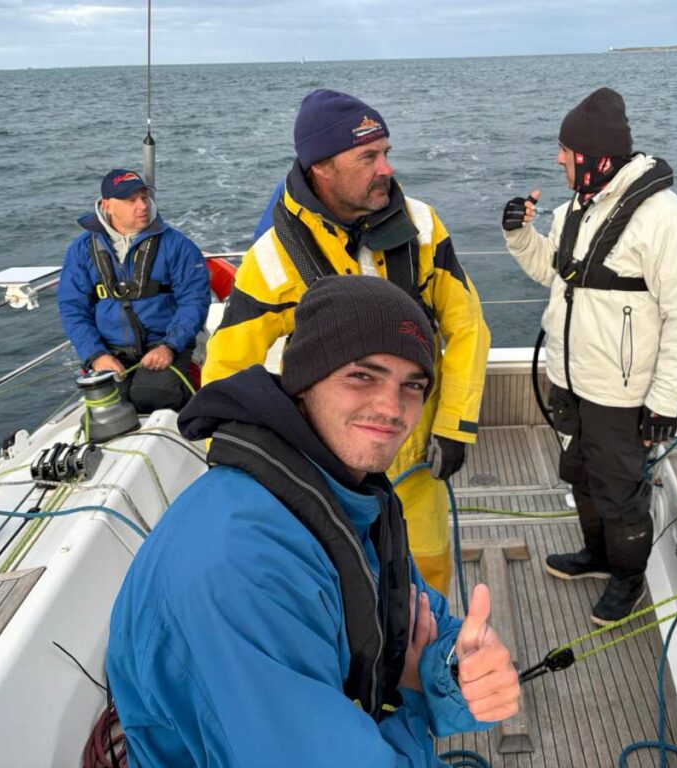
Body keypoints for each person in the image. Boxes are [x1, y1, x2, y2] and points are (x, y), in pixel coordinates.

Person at [108, 276, 520, 767]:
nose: (392, 408)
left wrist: (458, 673)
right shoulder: (239, 564)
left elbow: (417, 623)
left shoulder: (345, 494)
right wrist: (413, 694)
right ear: (304, 380)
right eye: (362, 376)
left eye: (412, 385)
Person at [202, 89, 491, 594]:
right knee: (346, 583)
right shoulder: (272, 258)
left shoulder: (423, 227)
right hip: (326, 465)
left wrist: (455, 427)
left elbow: (467, 326)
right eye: (368, 157)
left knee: (428, 577)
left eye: (387, 153)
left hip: (416, 449)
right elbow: (228, 371)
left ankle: (433, 663)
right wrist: (246, 469)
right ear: (321, 168)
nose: (387, 169)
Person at [501, 88, 677, 626]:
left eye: (565, 151)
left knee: (620, 493)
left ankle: (627, 578)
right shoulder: (580, 206)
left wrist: (665, 401)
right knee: (581, 474)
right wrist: (519, 235)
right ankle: (596, 557)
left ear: (593, 160)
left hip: (622, 391)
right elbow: (556, 270)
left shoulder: (666, 217)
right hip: (570, 377)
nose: (557, 159)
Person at [57, 169, 211, 413]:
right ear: (107, 205)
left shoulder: (178, 245)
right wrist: (96, 355)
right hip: (109, 350)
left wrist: (169, 346)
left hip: (165, 344)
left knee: (153, 396)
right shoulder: (81, 249)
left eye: (144, 198)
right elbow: (72, 308)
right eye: (131, 201)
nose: (142, 206)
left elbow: (194, 301)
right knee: (109, 407)